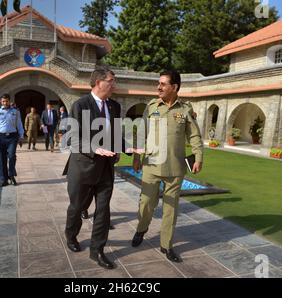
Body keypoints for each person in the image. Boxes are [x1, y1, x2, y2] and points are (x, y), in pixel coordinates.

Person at [131, 70, 203, 263]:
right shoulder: (152, 106)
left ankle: (166, 244)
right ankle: (141, 229)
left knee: (170, 209)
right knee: (146, 203)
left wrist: (198, 157)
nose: (159, 87)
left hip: (175, 167)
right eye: (159, 83)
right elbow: (141, 133)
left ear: (175, 87)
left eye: (163, 84)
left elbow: (194, 135)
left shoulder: (186, 109)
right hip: (151, 165)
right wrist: (136, 157)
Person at [64, 66, 127, 269]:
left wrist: (128, 147)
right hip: (82, 167)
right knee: (77, 207)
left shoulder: (115, 107)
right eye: (111, 80)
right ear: (99, 82)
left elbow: (116, 135)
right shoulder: (80, 105)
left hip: (106, 169)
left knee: (103, 210)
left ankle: (97, 250)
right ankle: (71, 236)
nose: (114, 84)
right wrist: (95, 149)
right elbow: (73, 138)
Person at [0, 94, 25, 187]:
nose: (5, 103)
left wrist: (21, 136)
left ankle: (11, 175)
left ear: (9, 101)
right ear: (1, 102)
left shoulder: (15, 111)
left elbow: (19, 124)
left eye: (7, 101)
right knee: (2, 158)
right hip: (1, 137)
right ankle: (3, 179)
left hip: (12, 137)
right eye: (3, 101)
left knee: (12, 156)